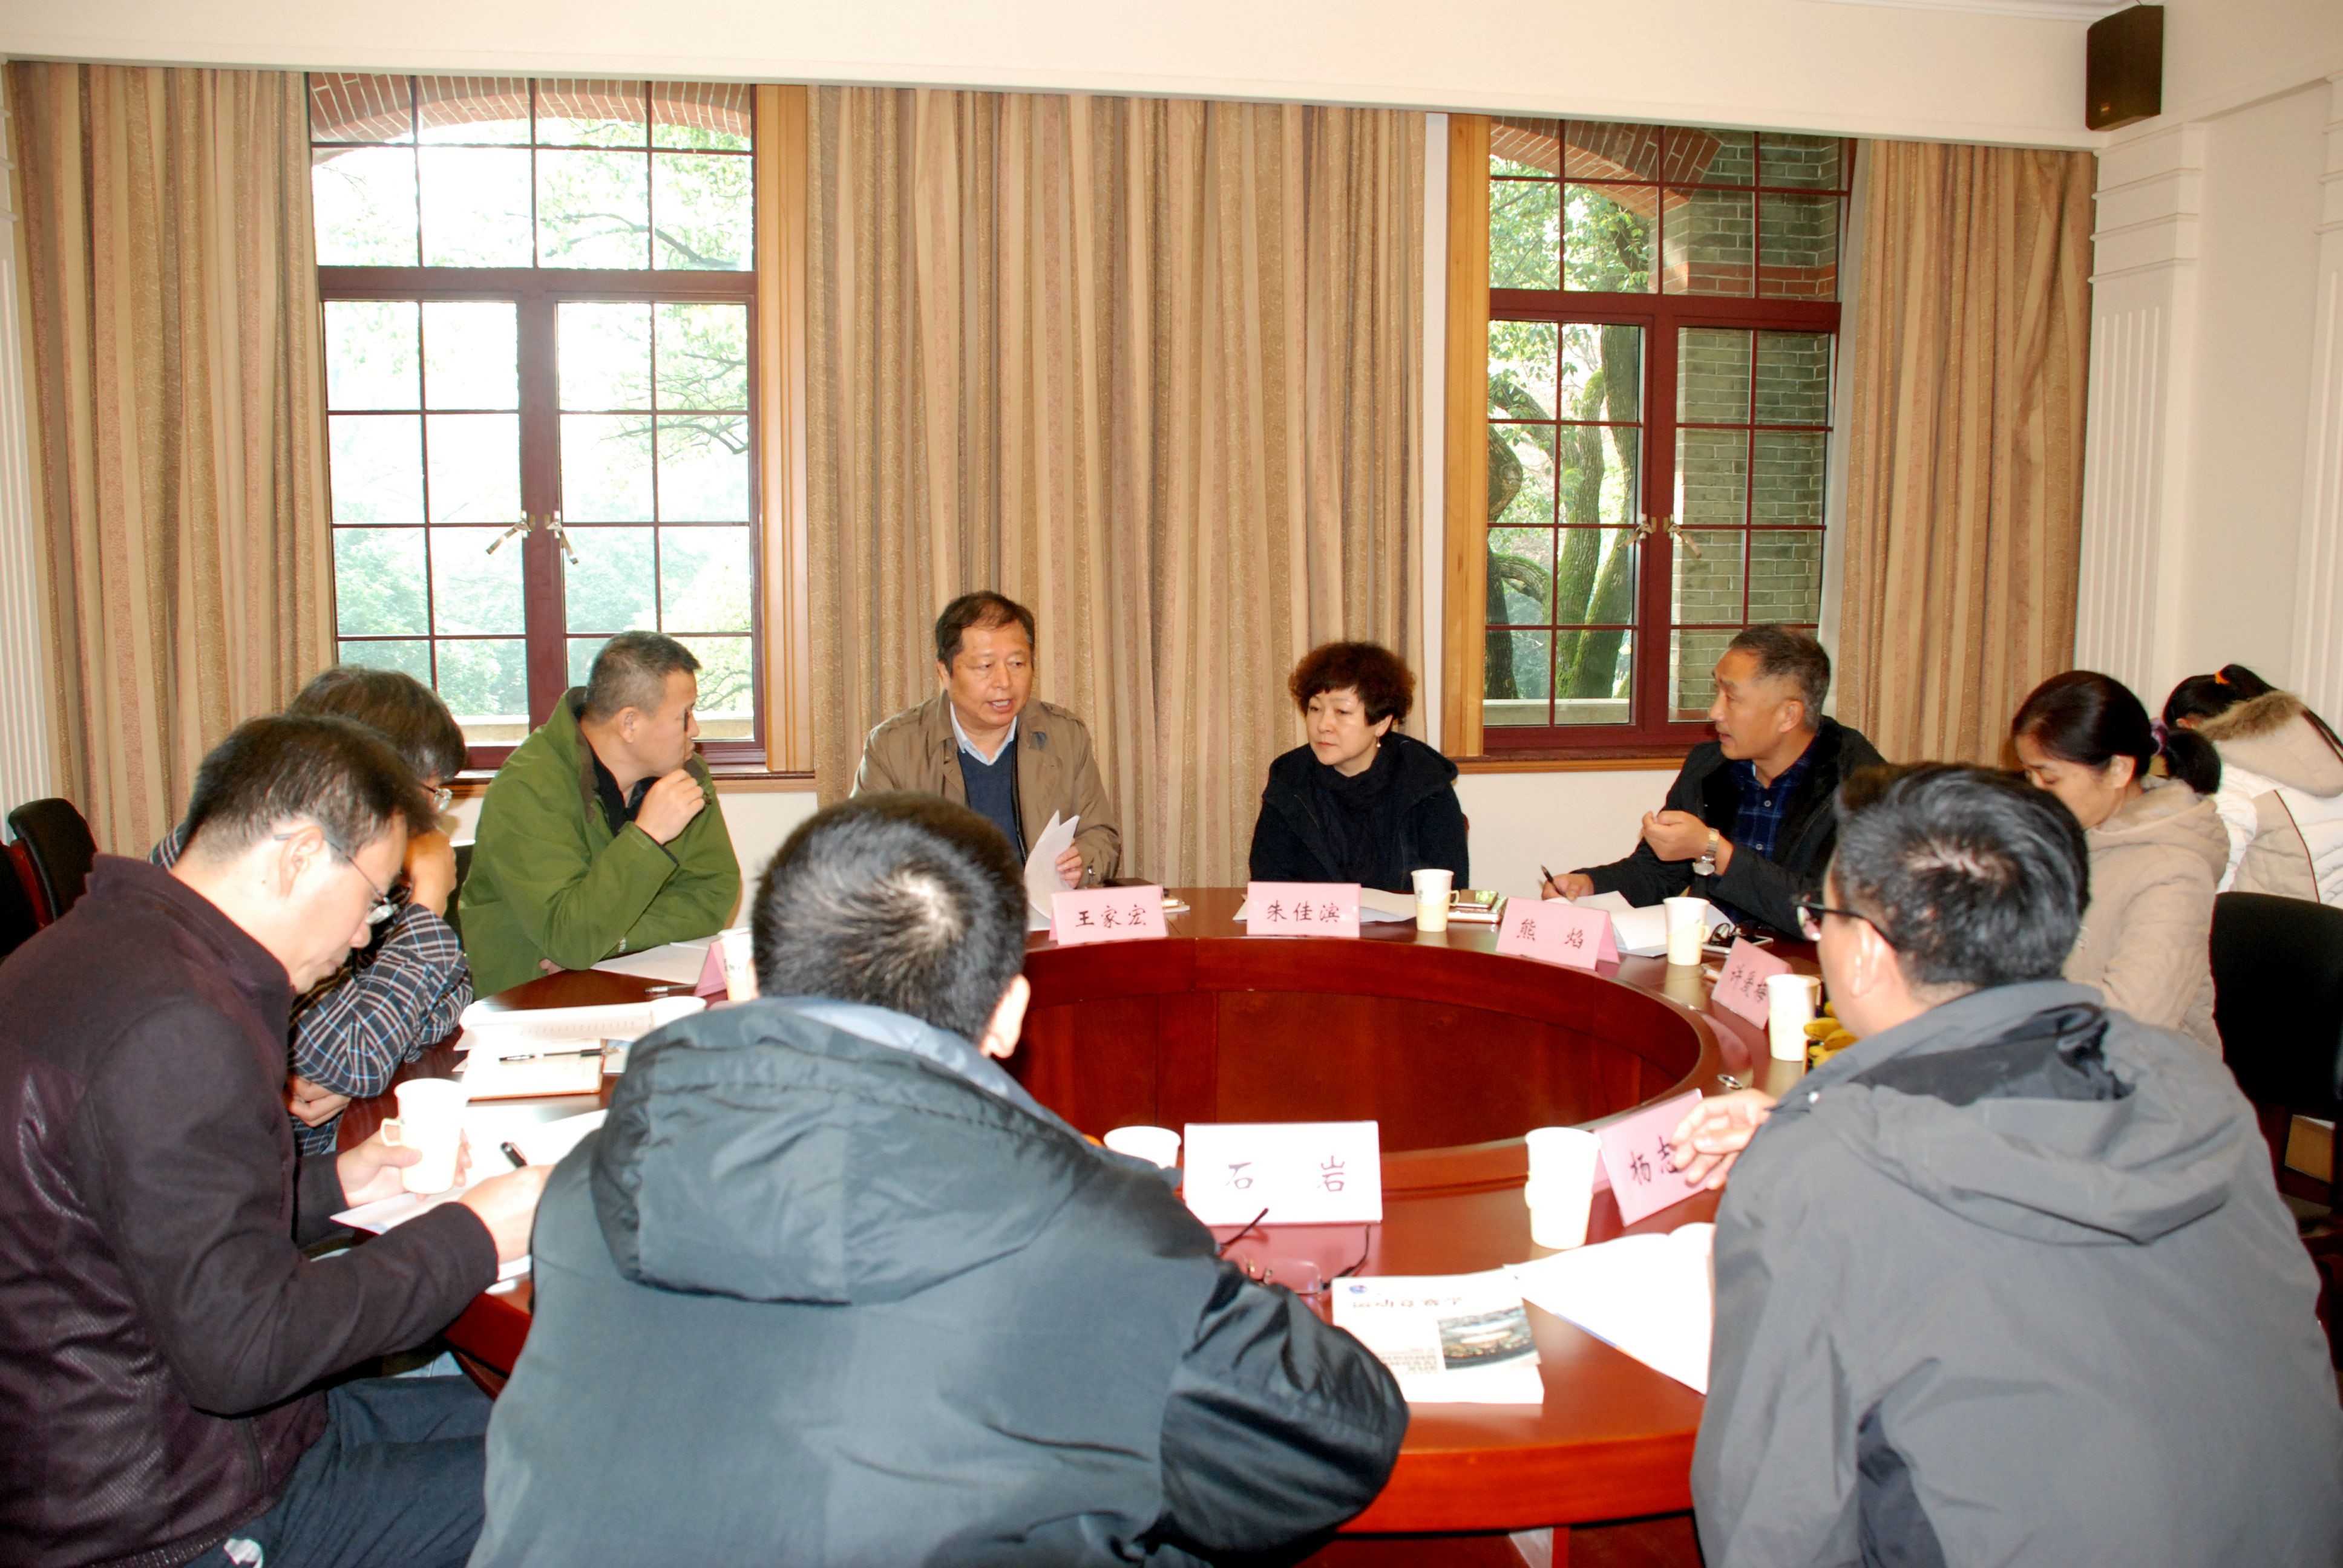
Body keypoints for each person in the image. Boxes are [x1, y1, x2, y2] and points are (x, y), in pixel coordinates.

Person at [468, 794, 1409, 1566]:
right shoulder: (1090, 1234)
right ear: (1010, 1015)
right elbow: (1332, 1440)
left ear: (762, 976)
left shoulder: (591, 1177)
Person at [1678, 764, 2343, 1568]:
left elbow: (1772, 1524)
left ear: (1870, 953)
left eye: (1823, 917)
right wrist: (1813, 1129)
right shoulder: (2191, 1083)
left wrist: (1812, 1148)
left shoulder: (1818, 1174)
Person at [0, 715, 548, 1568]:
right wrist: (476, 1234)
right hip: (176, 1514)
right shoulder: (179, 1024)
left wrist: (337, 1185)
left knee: (581, 1419)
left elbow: (147, 1220)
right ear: (299, 856)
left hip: (186, 1441)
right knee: (625, 1477)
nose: (364, 936)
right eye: (374, 899)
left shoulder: (89, 950)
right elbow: (246, 1351)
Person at [150, 665, 472, 1155]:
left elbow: (451, 998)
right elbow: (359, 1056)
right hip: (286, 1158)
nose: (431, 817)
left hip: (335, 1145)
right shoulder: (250, 877)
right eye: (429, 793)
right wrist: (428, 902)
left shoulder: (328, 853)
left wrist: (380, 1047)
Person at [1544, 626, 1882, 934]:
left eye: (1731, 698)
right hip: (1711, 961)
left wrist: (1715, 851)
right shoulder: (1709, 767)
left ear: (1788, 715)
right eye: (1717, 692)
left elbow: (1830, 915)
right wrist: (1590, 885)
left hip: (1804, 974)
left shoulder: (1866, 789)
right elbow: (1658, 873)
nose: (1715, 712)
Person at [461, 631, 741, 996]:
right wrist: (647, 837)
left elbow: (712, 894)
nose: (696, 729)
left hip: (635, 987)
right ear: (629, 724)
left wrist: (615, 941)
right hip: (531, 1003)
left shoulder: (685, 774)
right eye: (684, 715)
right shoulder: (527, 788)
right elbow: (571, 939)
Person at [2011, 670, 2226, 1051]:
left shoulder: (2173, 871)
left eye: (2050, 780)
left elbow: (2137, 1017)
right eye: (2030, 777)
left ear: (2119, 769)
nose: (2037, 796)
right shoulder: (2067, 838)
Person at [854, 590, 1121, 887]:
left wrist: (1083, 862)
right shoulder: (893, 747)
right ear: (944, 672)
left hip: (1041, 911)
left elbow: (1101, 835)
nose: (1004, 682)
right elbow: (864, 853)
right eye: (985, 666)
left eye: (1017, 664)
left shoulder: (1064, 735)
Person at [1249, 640, 1467, 892]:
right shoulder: (1290, 778)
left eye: (1342, 712)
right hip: (1313, 919)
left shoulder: (1425, 783)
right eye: (1315, 708)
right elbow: (1269, 883)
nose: (1323, 725)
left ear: (1381, 723)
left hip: (1405, 920)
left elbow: (1448, 889)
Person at [2164, 664, 2343, 906]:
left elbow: (2212, 876)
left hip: (2267, 923)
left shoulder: (2229, 778)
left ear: (2188, 726)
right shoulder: (2321, 752)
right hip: (2325, 918)